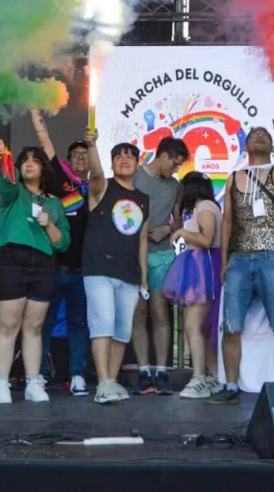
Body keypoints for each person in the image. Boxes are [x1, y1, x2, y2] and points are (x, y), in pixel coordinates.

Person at [207, 119, 274, 405]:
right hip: (239, 261)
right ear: (245, 146)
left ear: (271, 146)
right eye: (254, 135)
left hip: (273, 259)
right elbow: (228, 221)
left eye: (264, 136)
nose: (259, 138)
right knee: (231, 326)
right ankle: (230, 385)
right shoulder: (234, 176)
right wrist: (224, 262)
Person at [0, 141, 70, 404]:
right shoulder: (13, 193)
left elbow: (63, 242)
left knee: (34, 327)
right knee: (8, 325)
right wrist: (3, 155)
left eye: (35, 160)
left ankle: (34, 382)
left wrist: (48, 225)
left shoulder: (55, 203)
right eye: (24, 160)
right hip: (11, 258)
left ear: (44, 168)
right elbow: (7, 178)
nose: (29, 164)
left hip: (44, 264)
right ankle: (1, 384)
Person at [82, 129, 150, 404]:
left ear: (137, 163)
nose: (124, 159)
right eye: (118, 156)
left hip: (129, 273)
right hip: (99, 268)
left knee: (122, 328)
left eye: (130, 156)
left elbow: (143, 238)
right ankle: (103, 382)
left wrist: (144, 276)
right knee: (103, 323)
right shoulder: (102, 186)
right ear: (111, 163)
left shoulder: (144, 199)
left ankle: (111, 381)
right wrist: (92, 145)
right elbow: (95, 172)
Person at [30, 109, 90, 396]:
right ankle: (38, 375)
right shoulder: (60, 181)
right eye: (76, 154)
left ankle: (78, 375)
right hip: (54, 269)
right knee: (44, 323)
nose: (81, 158)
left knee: (79, 324)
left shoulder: (98, 187)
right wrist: (35, 115)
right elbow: (46, 142)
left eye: (86, 154)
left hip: (83, 272)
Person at [130, 136, 189, 395]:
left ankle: (162, 372)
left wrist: (166, 228)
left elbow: (179, 221)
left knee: (160, 312)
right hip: (133, 254)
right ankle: (144, 370)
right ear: (163, 156)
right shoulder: (134, 175)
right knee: (138, 314)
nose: (175, 170)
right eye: (174, 164)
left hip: (162, 254)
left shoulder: (174, 186)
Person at [163, 171, 223, 399]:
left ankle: (199, 377)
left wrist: (181, 232)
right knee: (201, 328)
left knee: (192, 325)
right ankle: (212, 376)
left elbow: (207, 239)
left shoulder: (205, 206)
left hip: (202, 270)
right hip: (199, 269)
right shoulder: (204, 207)